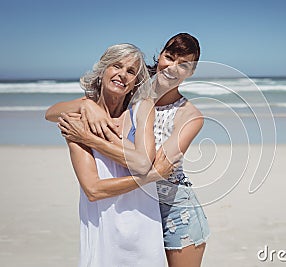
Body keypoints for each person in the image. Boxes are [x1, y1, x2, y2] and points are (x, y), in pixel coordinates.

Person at [47, 33, 210, 267]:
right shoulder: (131, 89)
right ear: (160, 55)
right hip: (135, 202)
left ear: (191, 72)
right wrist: (86, 105)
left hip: (175, 208)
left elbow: (155, 168)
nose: (173, 67)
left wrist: (90, 138)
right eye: (170, 57)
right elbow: (52, 113)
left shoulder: (189, 115)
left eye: (184, 64)